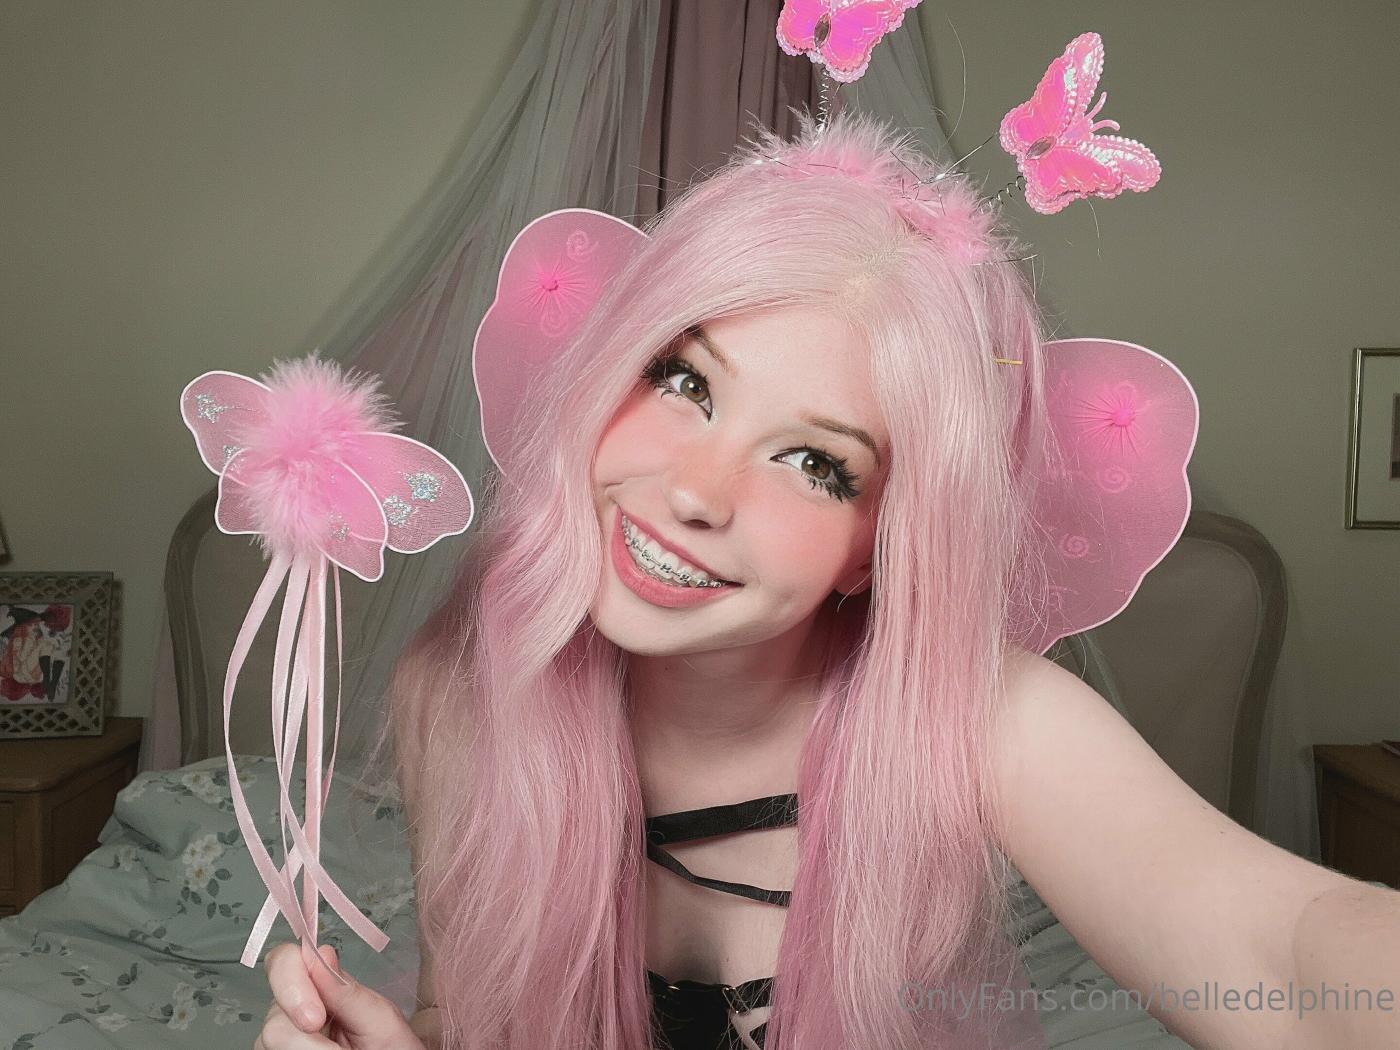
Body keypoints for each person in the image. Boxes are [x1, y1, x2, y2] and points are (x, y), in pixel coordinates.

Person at [254, 113, 1400, 1050]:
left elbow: (1282, 951)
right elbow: (468, 1013)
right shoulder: (461, 691)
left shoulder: (978, 718)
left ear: (875, 544)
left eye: (813, 463)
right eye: (681, 383)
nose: (694, 491)